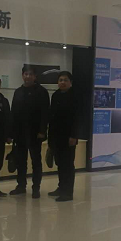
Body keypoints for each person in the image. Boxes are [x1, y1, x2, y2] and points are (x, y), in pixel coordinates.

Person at [10, 65, 50, 199]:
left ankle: (36, 187)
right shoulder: (18, 92)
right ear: (22, 75)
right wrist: (12, 133)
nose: (28, 76)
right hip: (20, 134)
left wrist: (42, 131)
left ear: (35, 76)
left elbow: (45, 113)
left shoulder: (42, 92)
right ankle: (21, 186)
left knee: (36, 161)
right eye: (25, 74)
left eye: (30, 74)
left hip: (35, 134)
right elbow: (13, 113)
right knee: (20, 161)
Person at [48, 71, 78, 202]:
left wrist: (74, 135)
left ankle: (68, 192)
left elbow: (77, 118)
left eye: (65, 80)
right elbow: (52, 117)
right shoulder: (55, 96)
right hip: (56, 136)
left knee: (68, 164)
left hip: (69, 137)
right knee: (59, 163)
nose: (62, 82)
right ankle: (61, 187)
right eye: (60, 80)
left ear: (70, 82)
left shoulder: (75, 96)